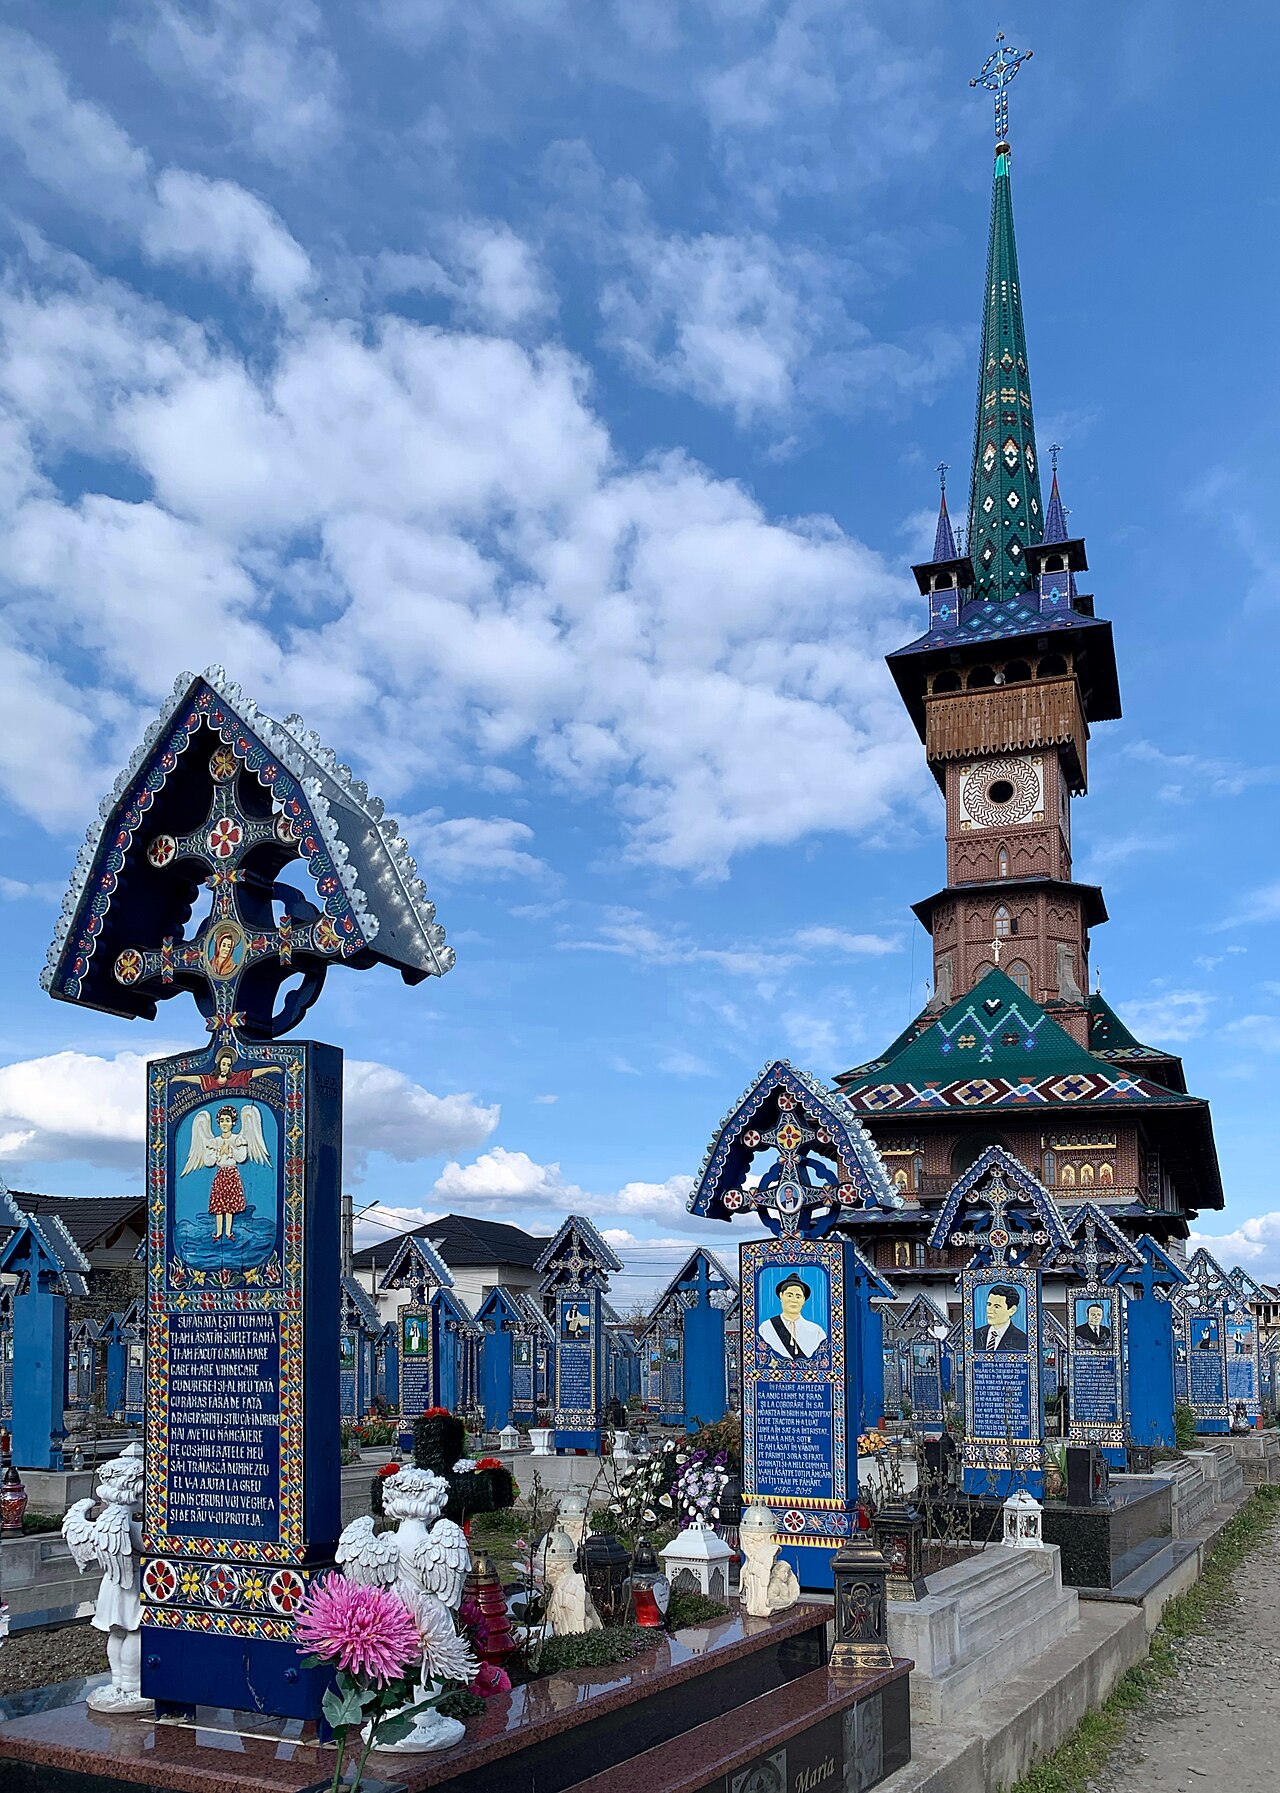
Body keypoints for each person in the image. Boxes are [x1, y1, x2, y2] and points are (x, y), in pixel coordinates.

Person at [758, 1273, 827, 1360]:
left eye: (798, 1296)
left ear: (803, 1300)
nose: (794, 1300)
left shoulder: (817, 1331)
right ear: (781, 1296)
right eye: (789, 1295)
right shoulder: (766, 1327)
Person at [973, 1284, 1028, 1355]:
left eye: (996, 1306)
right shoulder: (975, 1335)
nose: (990, 1310)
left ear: (1012, 1310)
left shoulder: (1022, 1341)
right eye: (989, 1304)